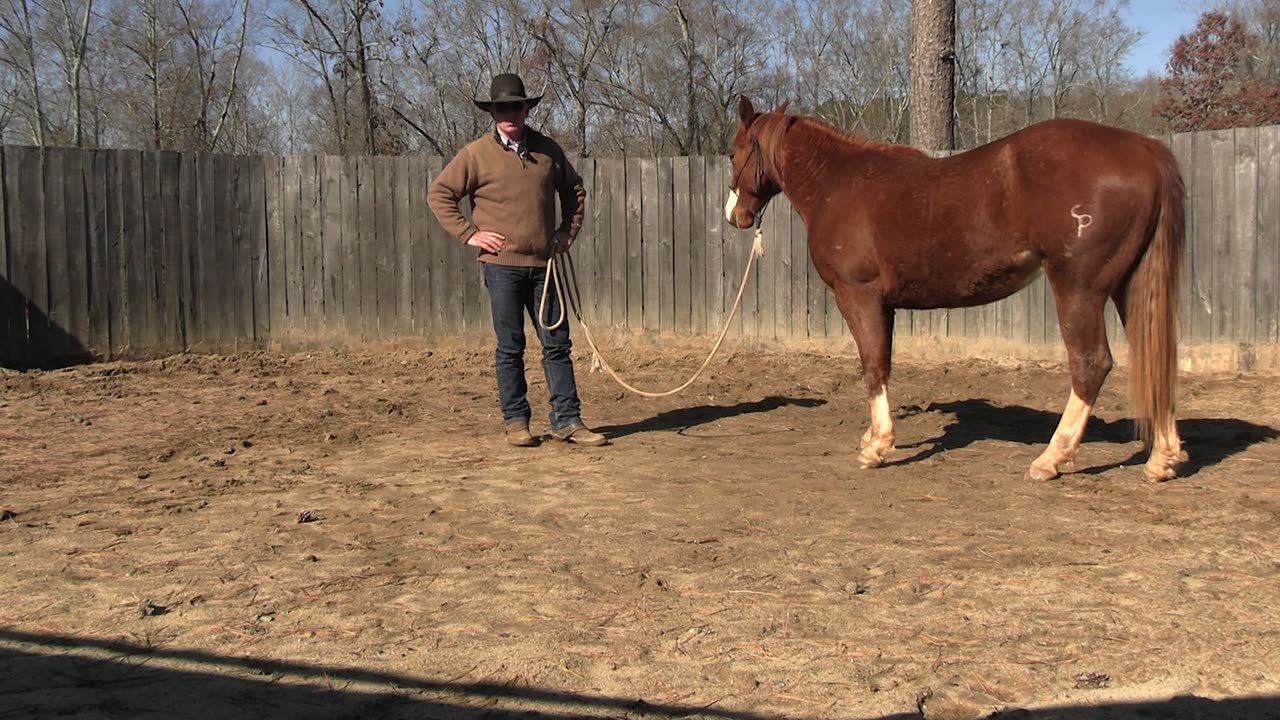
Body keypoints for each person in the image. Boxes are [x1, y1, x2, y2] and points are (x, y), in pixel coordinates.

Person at [428, 72, 608, 448]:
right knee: (510, 346)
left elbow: (574, 190)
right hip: (501, 266)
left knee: (557, 344)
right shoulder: (475, 154)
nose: (510, 112)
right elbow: (440, 194)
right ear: (493, 112)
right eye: (502, 107)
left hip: (546, 265)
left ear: (527, 108)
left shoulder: (547, 150)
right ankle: (516, 421)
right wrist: (470, 234)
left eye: (516, 105)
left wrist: (565, 232)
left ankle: (568, 420)